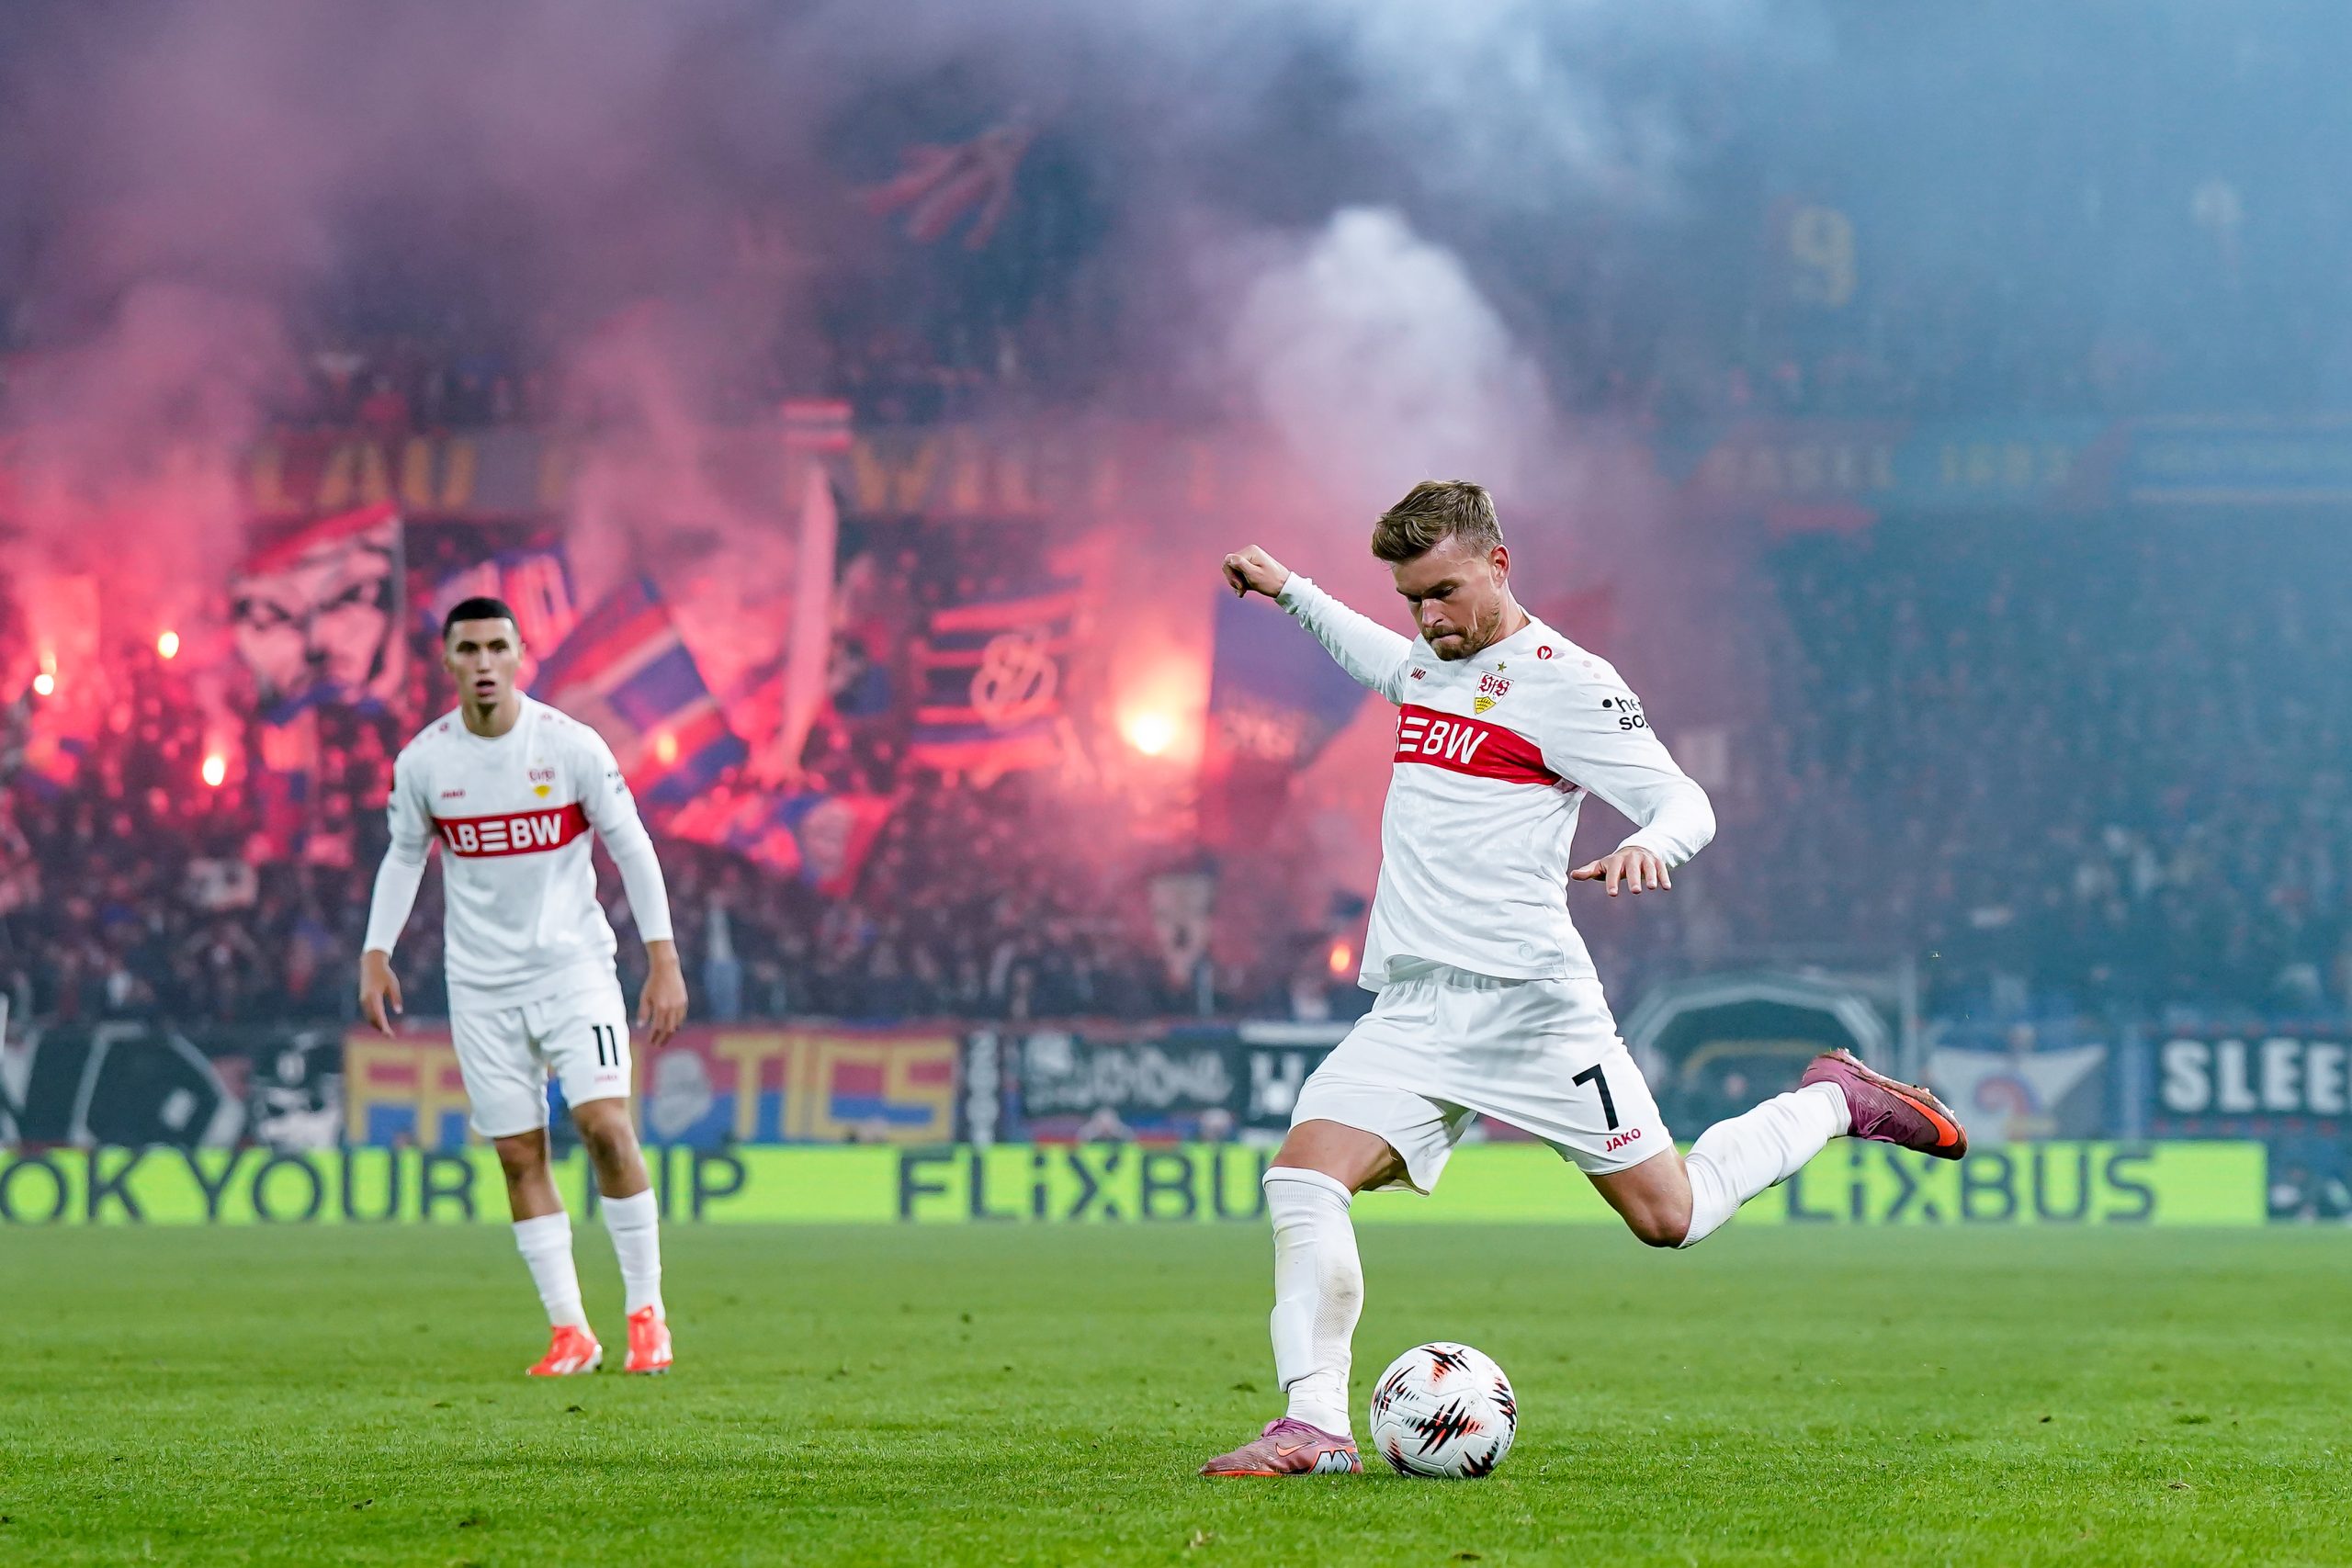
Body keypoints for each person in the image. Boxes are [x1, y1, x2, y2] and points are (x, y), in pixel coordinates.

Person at [1201, 481, 1966, 1477]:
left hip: (1533, 1010)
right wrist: (1289, 590)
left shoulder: (1570, 683)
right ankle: (1313, 1427)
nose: (1428, 619)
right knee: (1303, 1179)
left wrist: (1652, 844)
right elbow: (1373, 653)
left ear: (1497, 565)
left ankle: (1833, 1100)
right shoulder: (1427, 663)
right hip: (1418, 1006)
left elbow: (1683, 800)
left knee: (1670, 1217)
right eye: (1412, 599)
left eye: (1443, 593)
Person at [359, 596, 689, 1377]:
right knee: (517, 1153)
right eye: (468, 649)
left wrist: (664, 958)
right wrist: (376, 950)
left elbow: (632, 846)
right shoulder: (426, 762)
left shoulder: (569, 746)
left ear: (518, 656)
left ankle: (647, 1312)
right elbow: (403, 856)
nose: (483, 662)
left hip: (575, 971)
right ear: (448, 661)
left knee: (606, 1126)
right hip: (480, 986)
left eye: (496, 647)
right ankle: (571, 1330)